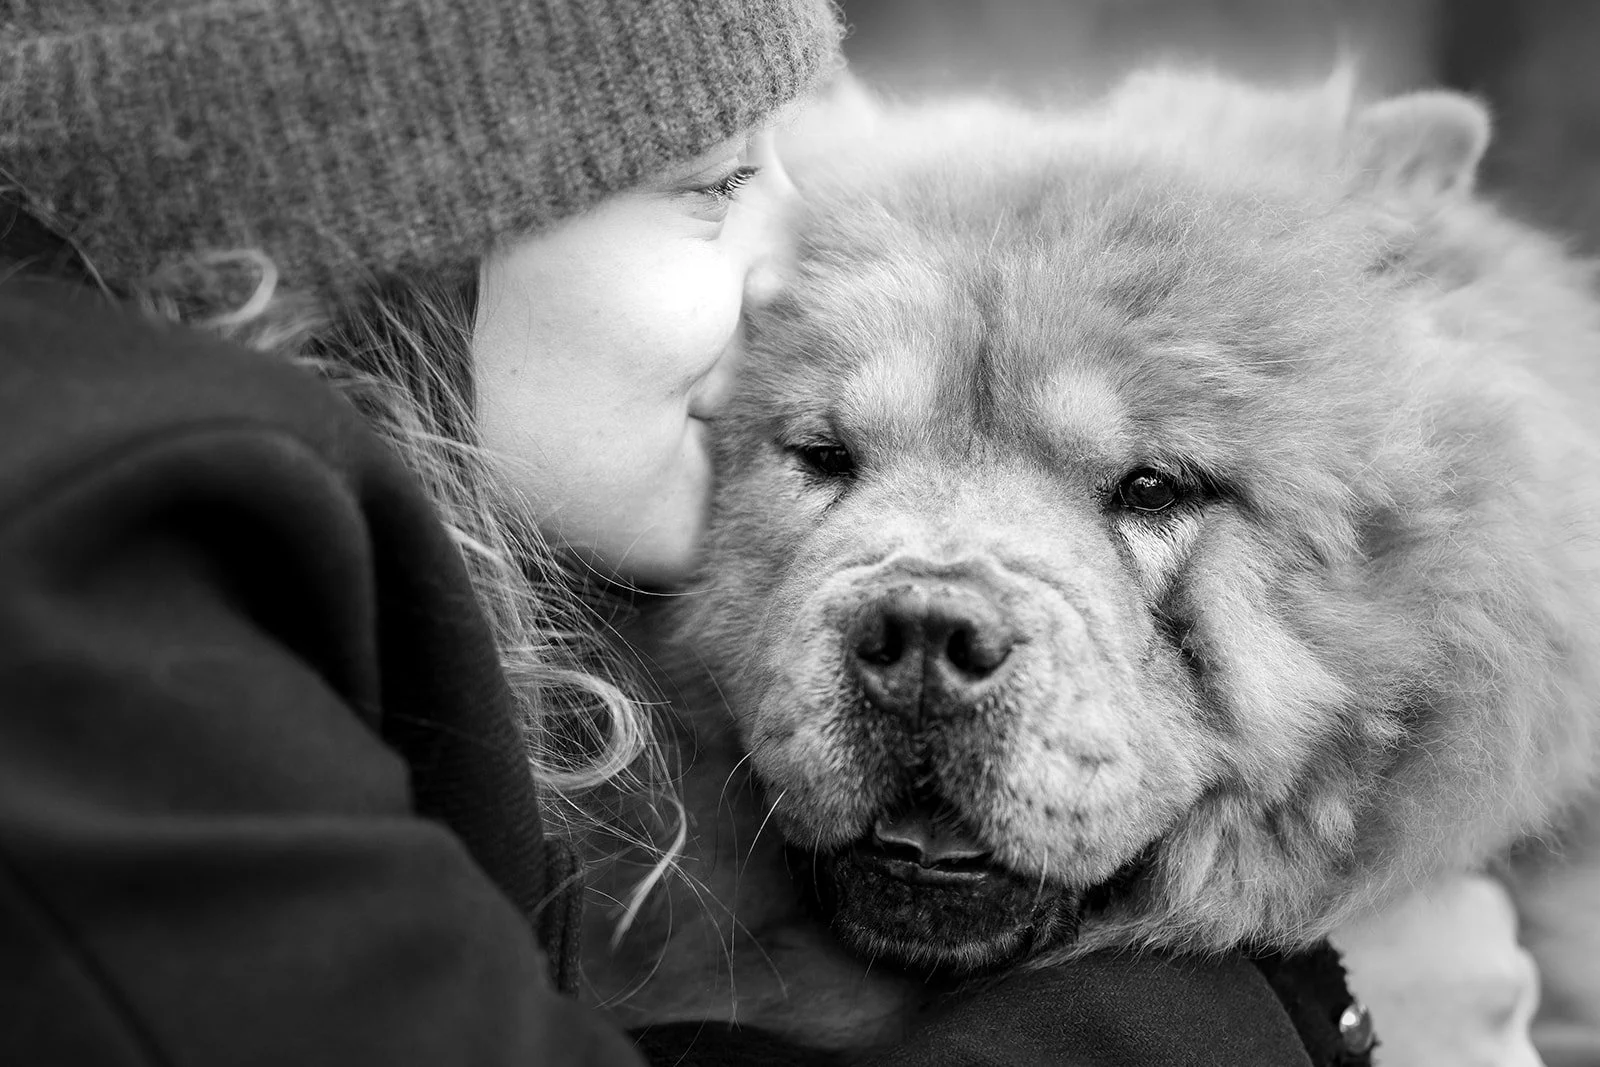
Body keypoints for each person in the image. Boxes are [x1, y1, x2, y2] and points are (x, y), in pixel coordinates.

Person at [0, 2, 1466, 1064]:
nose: (792, 273)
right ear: (393, 224)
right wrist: (1280, 1015)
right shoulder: (87, 573)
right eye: (710, 188)